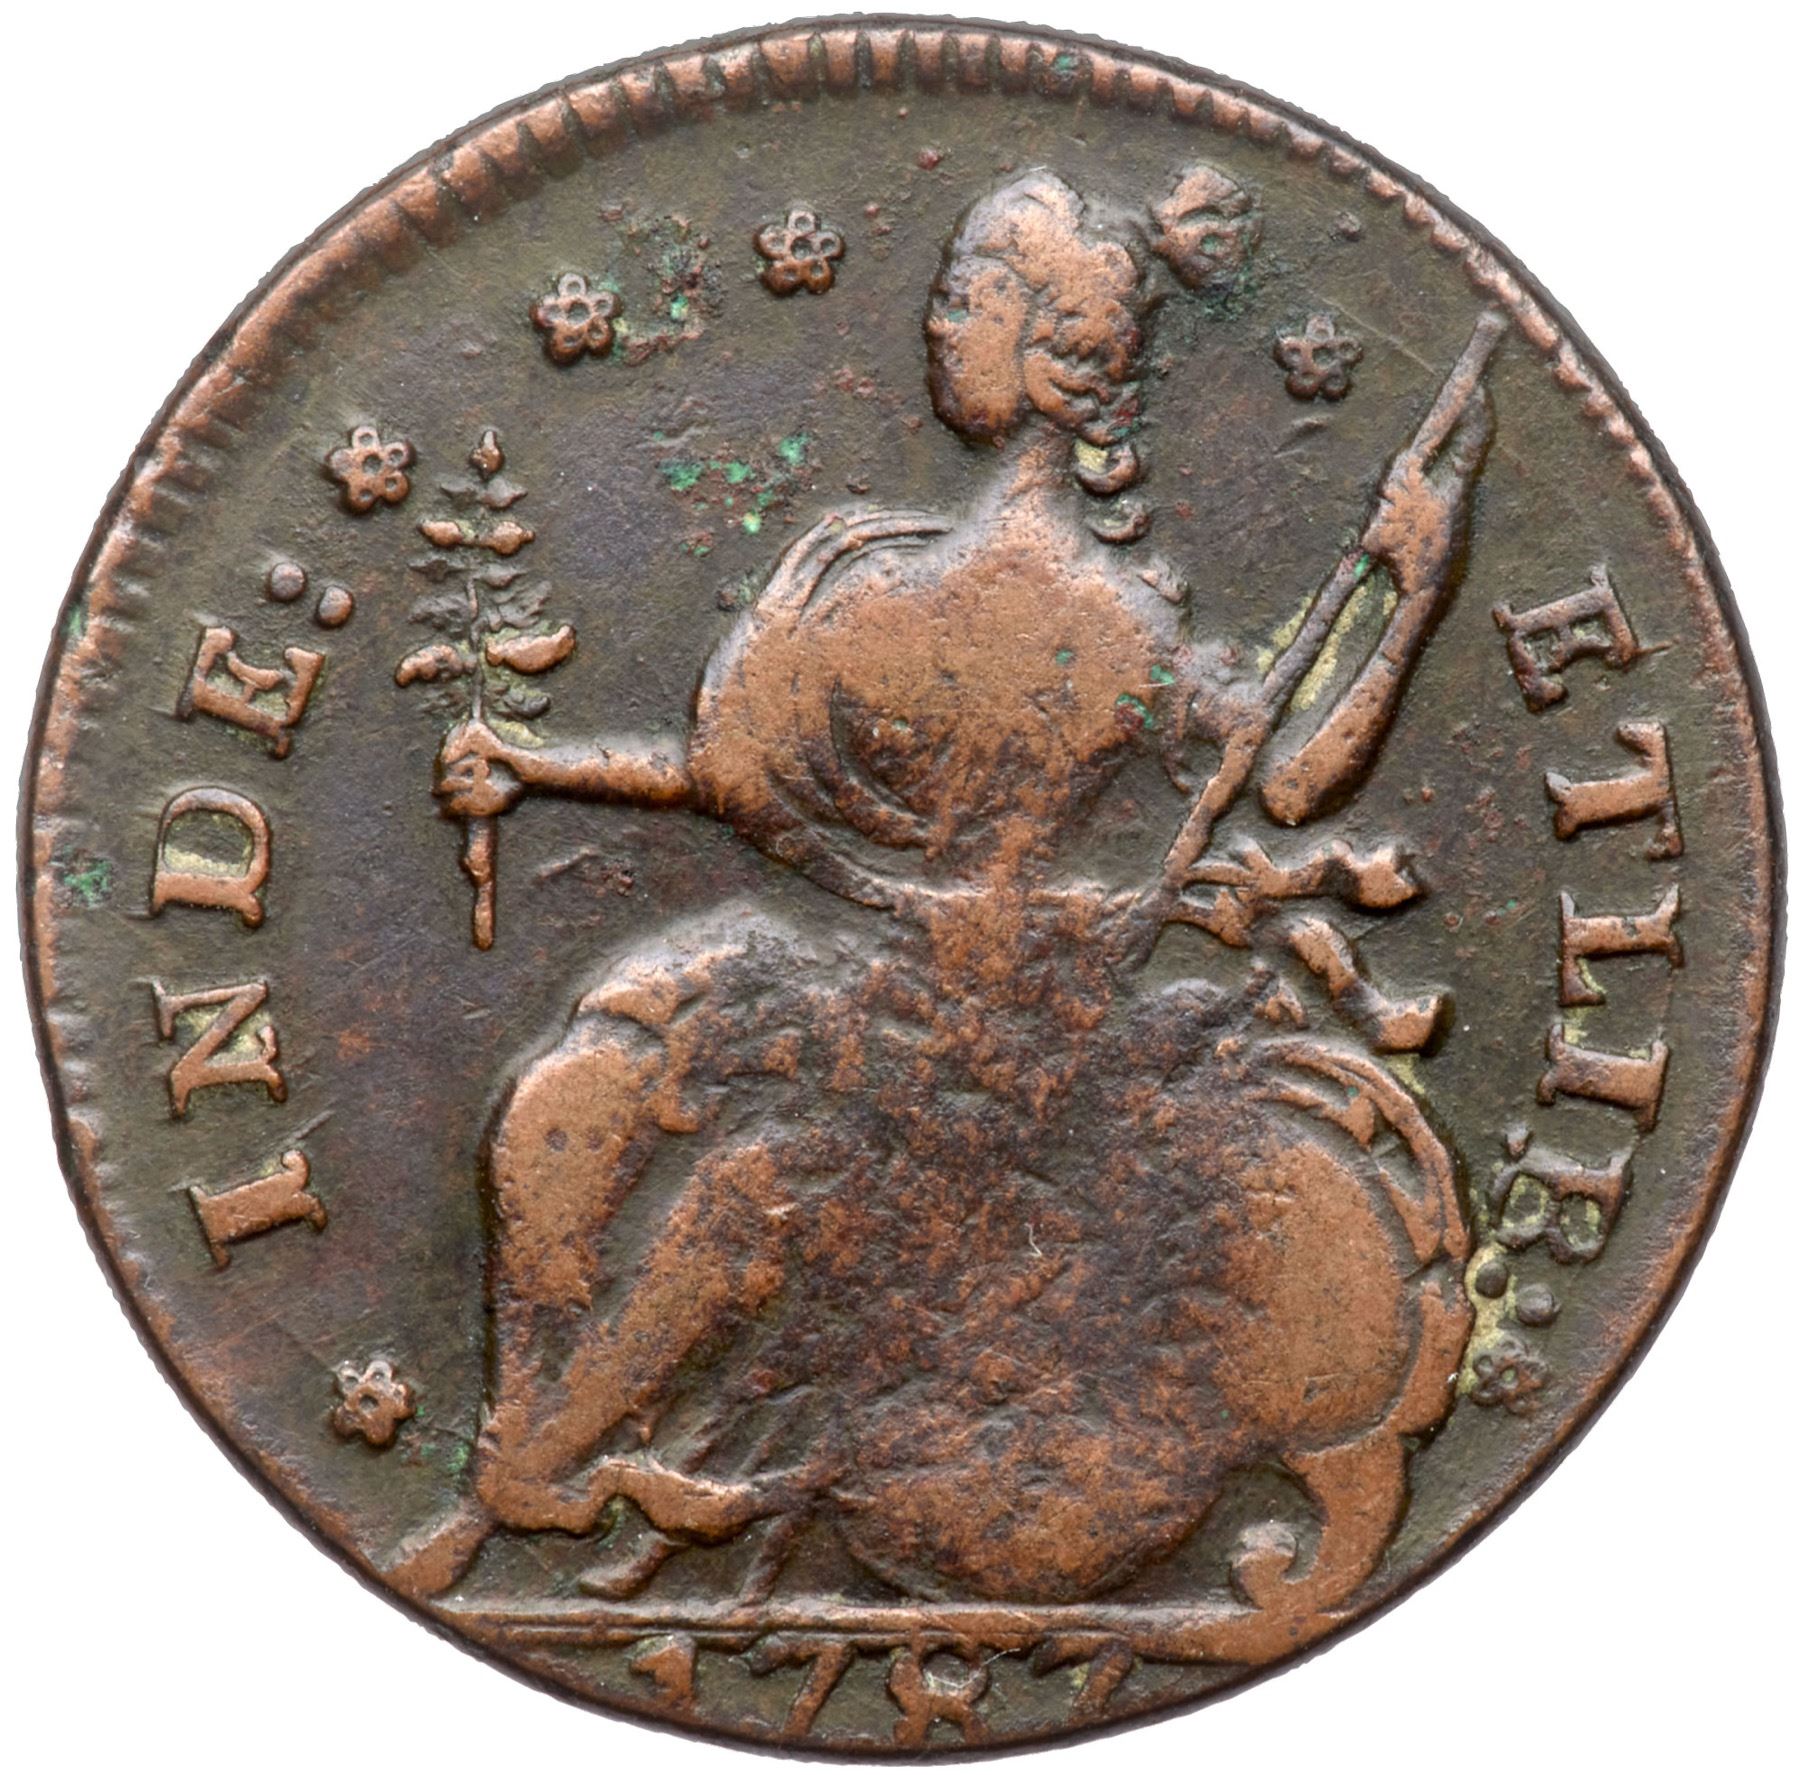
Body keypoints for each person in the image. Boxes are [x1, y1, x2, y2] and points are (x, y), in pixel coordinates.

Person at [394, 169, 1474, 1629]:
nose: (935, 324)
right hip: (861, 974)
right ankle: (531, 1433)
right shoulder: (869, 570)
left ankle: (531, 1470)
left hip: (1018, 1020)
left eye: (967, 297)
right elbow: (727, 779)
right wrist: (535, 769)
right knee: (563, 1104)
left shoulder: (1121, 625)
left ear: (1046, 353)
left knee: (753, 1194)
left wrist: (1412, 588)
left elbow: (1286, 786)